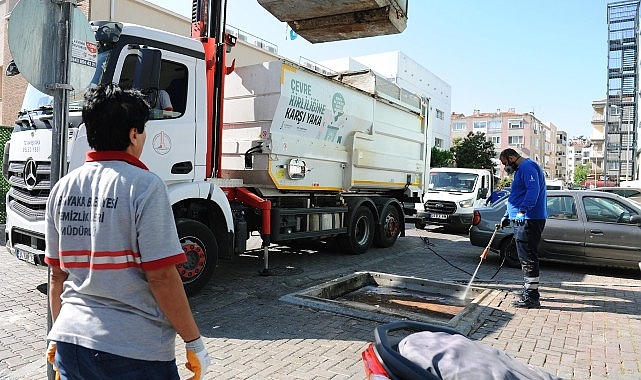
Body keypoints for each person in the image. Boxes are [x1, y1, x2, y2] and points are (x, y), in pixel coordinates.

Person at [44, 83, 210, 379]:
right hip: (135, 353)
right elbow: (161, 277)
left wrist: (59, 333)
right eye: (143, 130)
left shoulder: (62, 189)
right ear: (134, 133)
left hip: (72, 343)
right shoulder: (145, 187)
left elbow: (57, 276)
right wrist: (193, 341)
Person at [498, 148, 547, 309]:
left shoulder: (527, 167)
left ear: (512, 157)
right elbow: (516, 196)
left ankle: (532, 297)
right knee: (524, 256)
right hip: (522, 218)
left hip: (529, 219)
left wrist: (522, 210)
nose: (506, 167)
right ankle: (528, 290)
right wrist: (507, 214)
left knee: (528, 257)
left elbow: (534, 191)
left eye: (505, 163)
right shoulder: (521, 170)